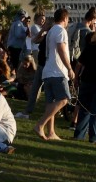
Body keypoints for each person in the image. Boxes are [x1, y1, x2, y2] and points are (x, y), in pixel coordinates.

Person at [35, 8, 74, 141]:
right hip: (58, 71)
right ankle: (40, 124)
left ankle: (51, 132)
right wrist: (69, 68)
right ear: (65, 19)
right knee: (63, 99)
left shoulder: (51, 30)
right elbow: (61, 49)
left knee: (51, 103)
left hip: (48, 70)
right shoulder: (61, 30)